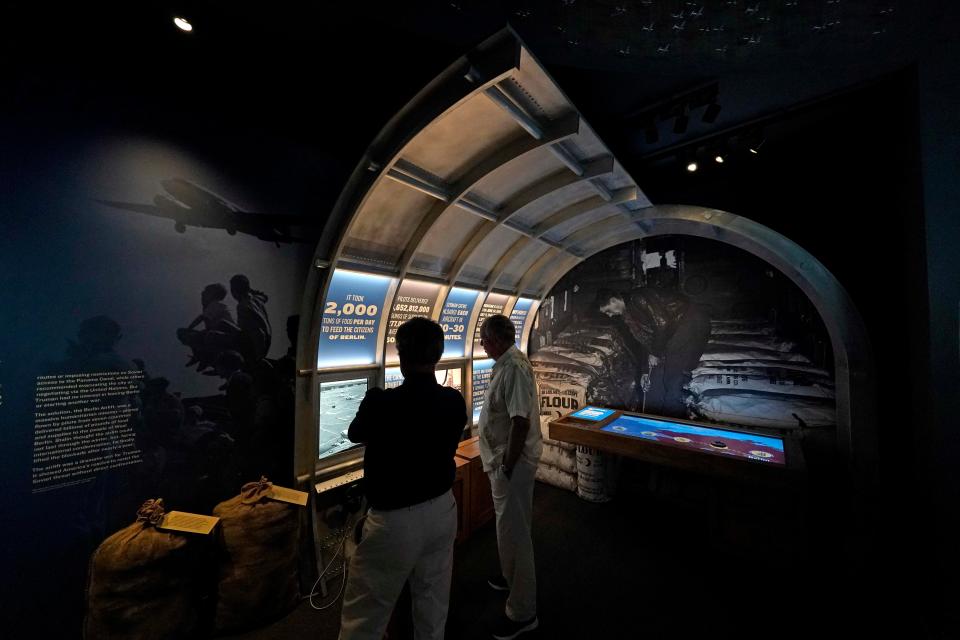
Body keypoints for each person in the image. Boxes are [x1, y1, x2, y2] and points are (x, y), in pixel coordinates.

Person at [339, 317, 467, 640]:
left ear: (401, 356)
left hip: (393, 524)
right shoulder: (454, 402)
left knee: (365, 616)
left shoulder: (381, 402)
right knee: (433, 606)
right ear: (437, 355)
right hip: (442, 511)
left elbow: (356, 432)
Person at [477, 314, 542, 640]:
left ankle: (522, 611)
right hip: (506, 463)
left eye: (484, 339)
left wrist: (507, 465)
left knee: (516, 532)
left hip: (511, 465)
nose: (482, 345)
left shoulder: (514, 368)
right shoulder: (508, 363)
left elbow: (520, 422)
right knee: (510, 526)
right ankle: (509, 573)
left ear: (497, 340)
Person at [598, 265, 711, 418]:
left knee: (672, 375)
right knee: (656, 376)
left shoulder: (637, 298)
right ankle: (657, 415)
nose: (610, 316)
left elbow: (663, 323)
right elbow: (645, 340)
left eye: (608, 311)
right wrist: (645, 371)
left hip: (687, 323)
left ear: (613, 300)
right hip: (674, 330)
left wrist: (655, 353)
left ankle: (673, 418)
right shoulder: (627, 315)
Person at [229, 274, 272, 365]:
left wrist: (259, 358)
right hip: (266, 341)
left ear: (234, 291)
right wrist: (248, 289)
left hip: (255, 347)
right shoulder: (257, 299)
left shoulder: (243, 307)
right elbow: (264, 296)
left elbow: (257, 332)